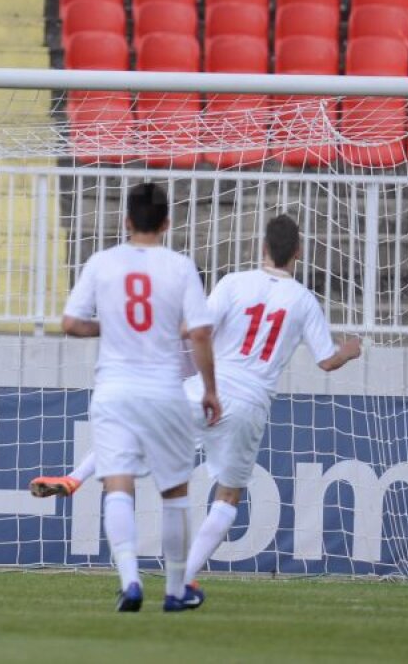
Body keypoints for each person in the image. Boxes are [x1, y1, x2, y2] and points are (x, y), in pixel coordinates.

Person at [33, 213, 362, 609]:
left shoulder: (234, 282)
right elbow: (327, 361)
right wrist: (350, 349)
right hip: (249, 404)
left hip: (206, 389)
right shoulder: (304, 300)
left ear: (262, 248)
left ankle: (74, 478)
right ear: (299, 251)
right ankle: (183, 583)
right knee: (228, 496)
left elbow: (195, 329)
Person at [55, 182, 220, 612]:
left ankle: (130, 580)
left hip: (114, 391)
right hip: (164, 391)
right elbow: (201, 332)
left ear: (126, 221)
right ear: (166, 223)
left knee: (117, 484)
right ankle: (175, 591)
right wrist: (209, 388)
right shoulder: (180, 267)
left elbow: (71, 323)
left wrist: (108, 327)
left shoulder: (102, 262)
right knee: (175, 492)